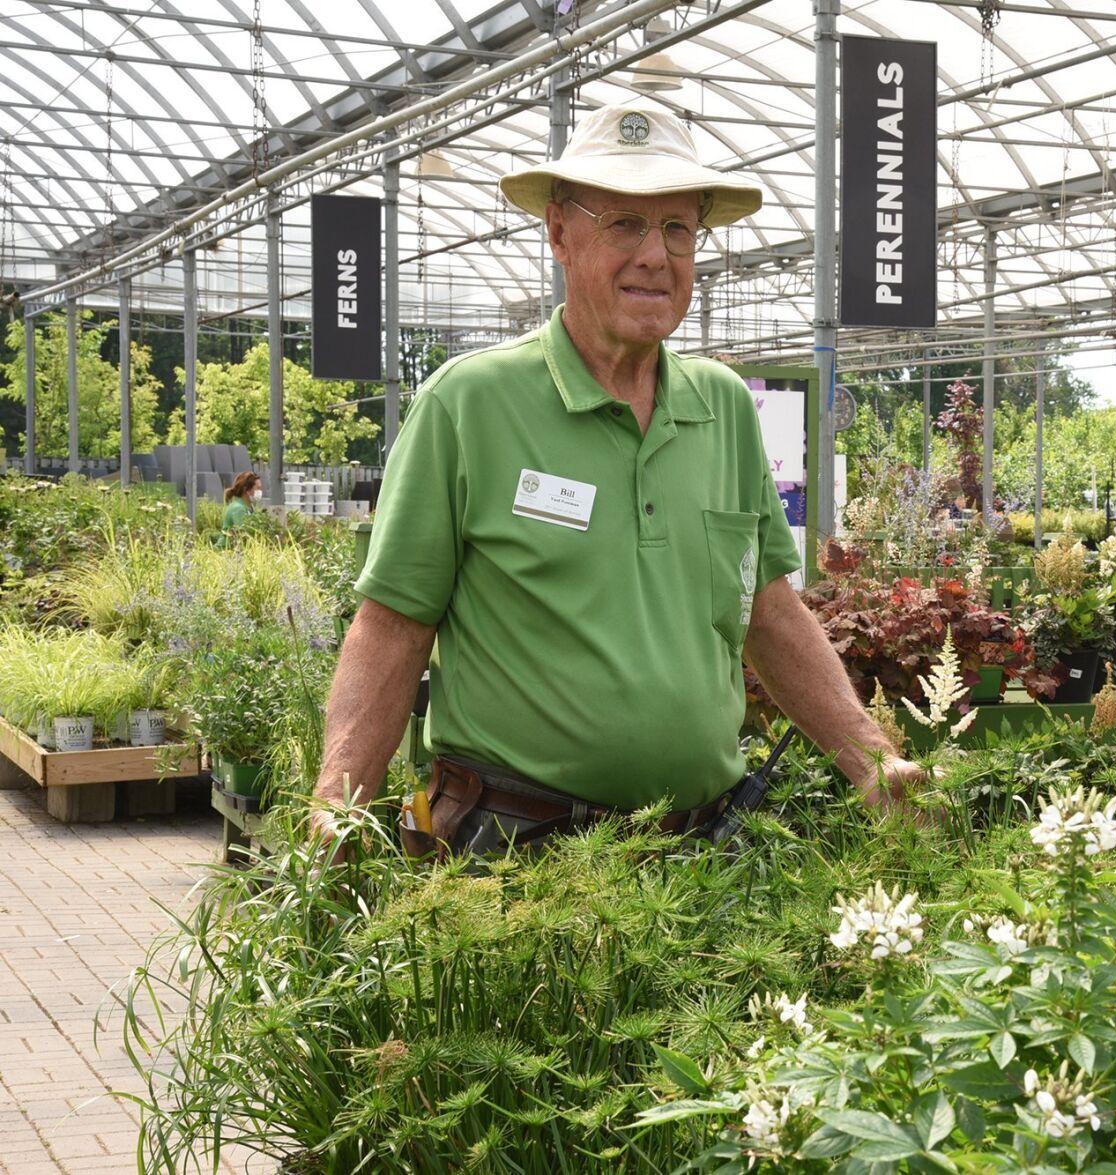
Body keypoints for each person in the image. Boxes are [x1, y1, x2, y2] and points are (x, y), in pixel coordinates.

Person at [311, 105, 923, 855]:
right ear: (559, 234)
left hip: (701, 860)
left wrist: (870, 758)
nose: (654, 256)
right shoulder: (469, 403)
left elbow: (768, 611)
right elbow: (394, 625)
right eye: (624, 224)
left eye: (677, 229)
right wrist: (337, 810)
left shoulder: (723, 407)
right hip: (516, 854)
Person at [219, 472, 262, 543]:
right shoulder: (238, 509)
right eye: (258, 488)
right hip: (226, 551)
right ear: (247, 490)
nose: (260, 492)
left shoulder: (250, 507)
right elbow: (244, 535)